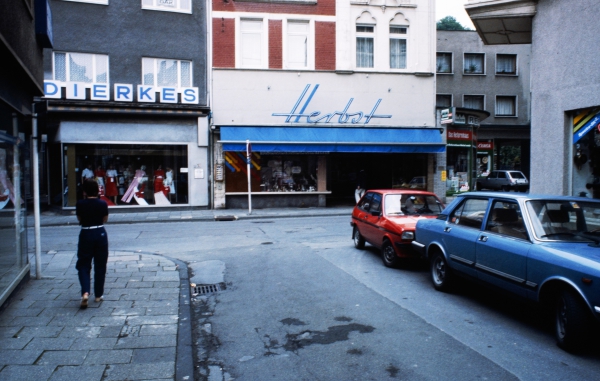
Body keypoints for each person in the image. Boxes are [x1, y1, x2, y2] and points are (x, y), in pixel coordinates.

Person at [76, 180, 109, 309]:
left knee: (83, 264)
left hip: (85, 233)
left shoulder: (80, 204)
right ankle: (98, 295)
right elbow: (105, 219)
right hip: (100, 232)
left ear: (85, 191)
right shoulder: (102, 203)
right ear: (97, 190)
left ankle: (85, 292)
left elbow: (79, 219)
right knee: (100, 264)